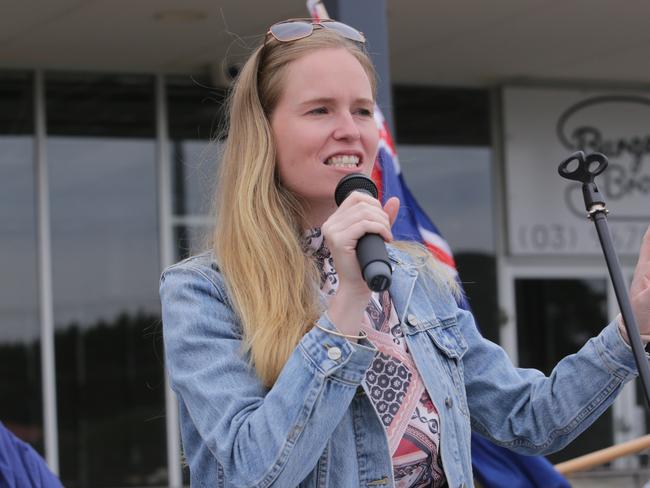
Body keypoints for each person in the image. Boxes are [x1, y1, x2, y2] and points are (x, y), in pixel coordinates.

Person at [159, 18, 650, 488]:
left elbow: (528, 419)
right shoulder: (204, 291)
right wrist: (347, 301)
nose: (350, 129)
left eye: (362, 110)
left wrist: (632, 330)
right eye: (319, 110)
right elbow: (250, 471)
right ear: (263, 133)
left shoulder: (413, 276)